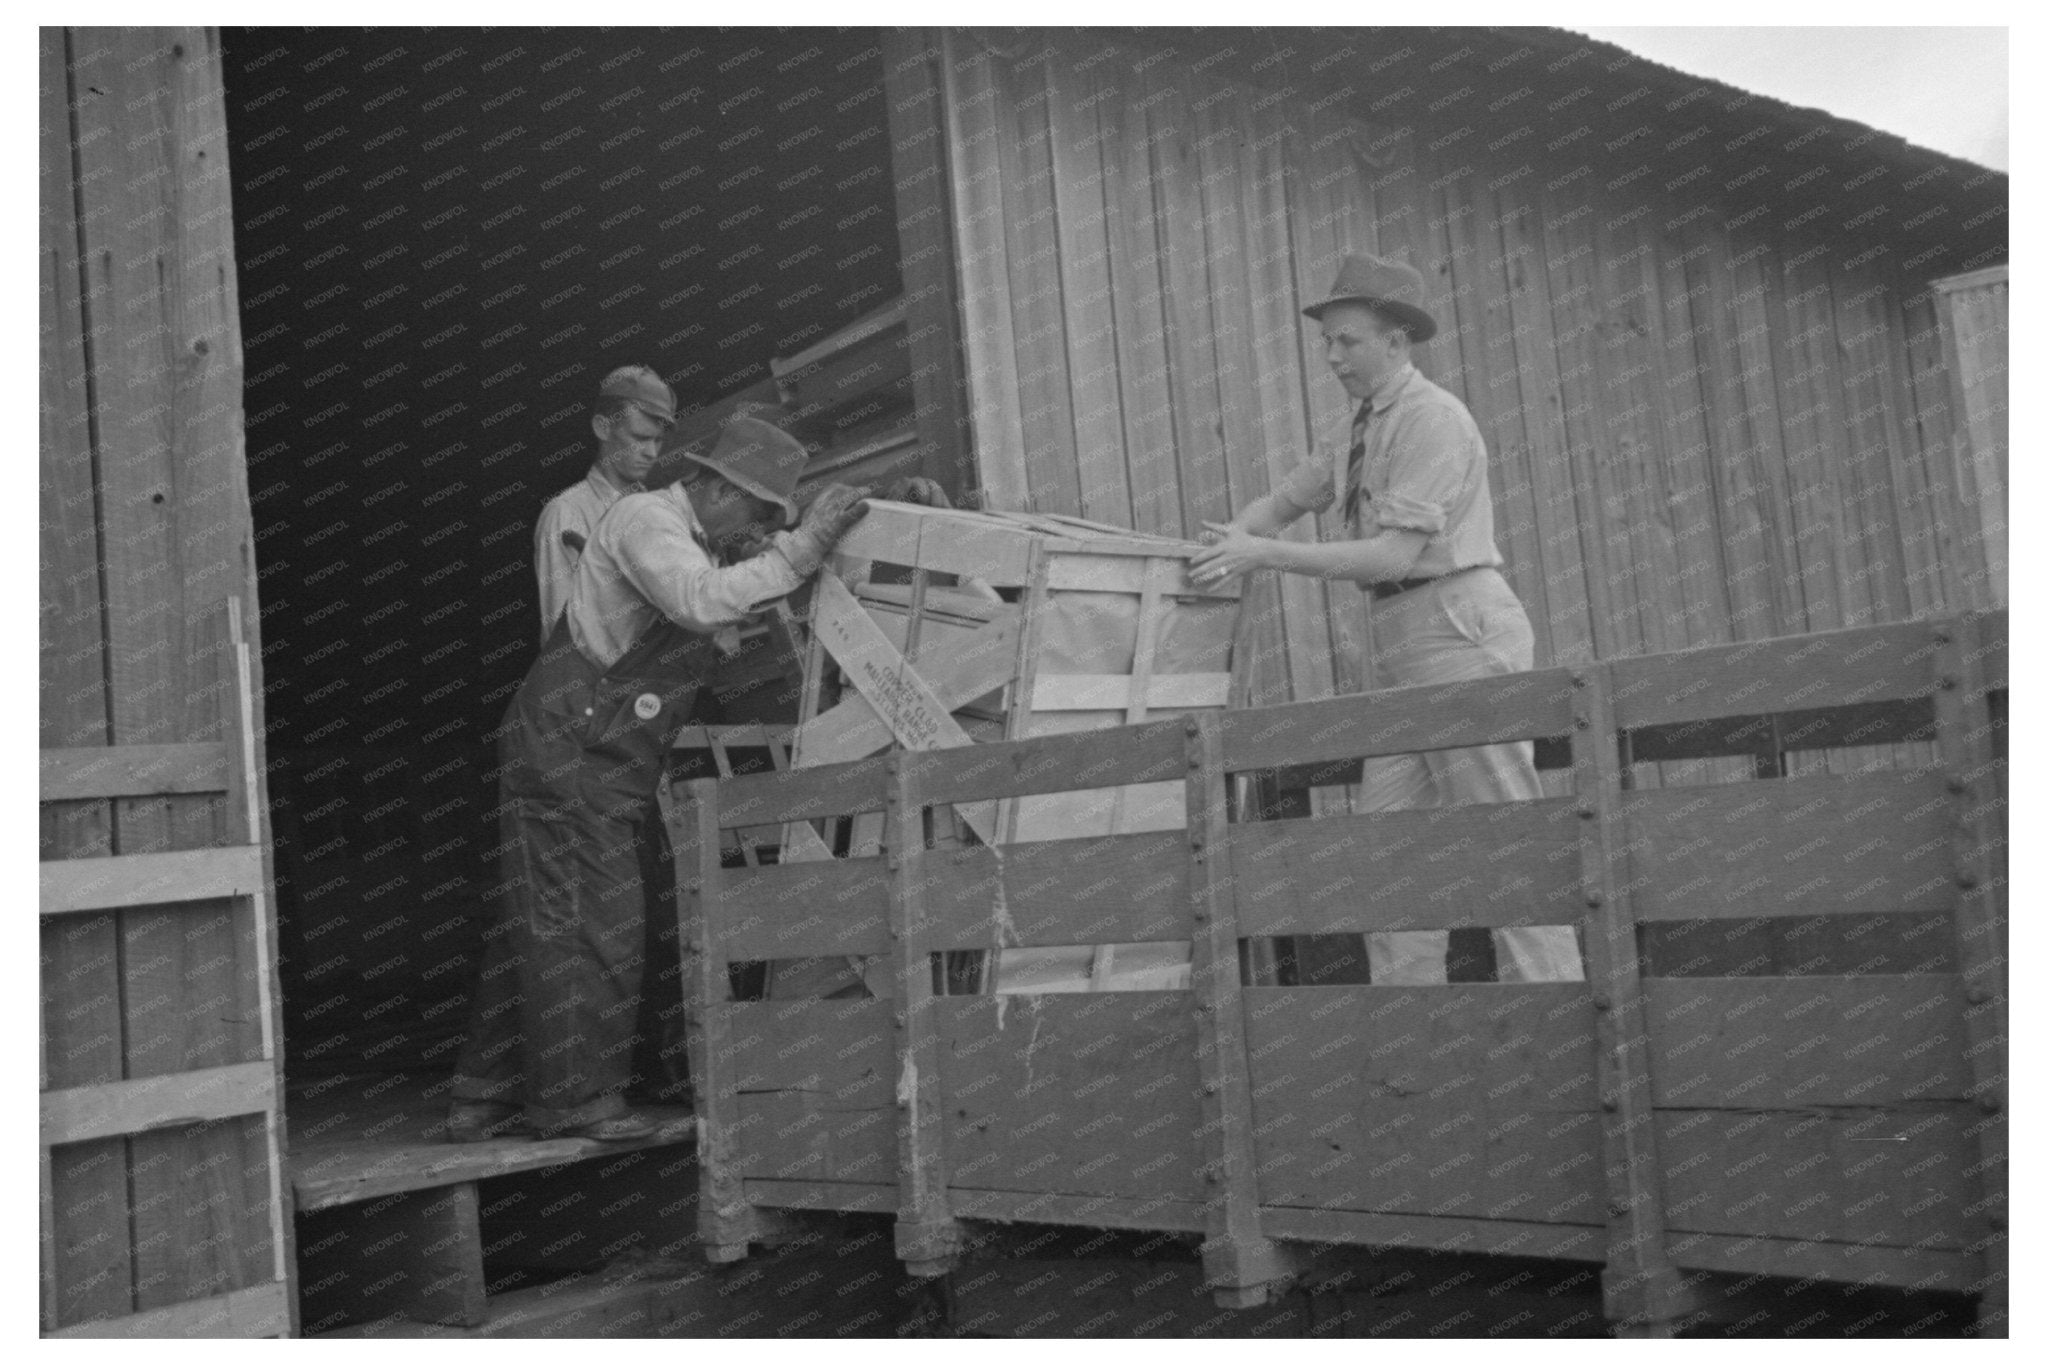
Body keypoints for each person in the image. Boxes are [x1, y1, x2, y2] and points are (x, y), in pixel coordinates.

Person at [449, 414, 871, 1141]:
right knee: (594, 922)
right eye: (757, 509)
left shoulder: (691, 538)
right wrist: (798, 551)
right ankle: (576, 1103)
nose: (761, 525)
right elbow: (700, 600)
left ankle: (484, 1092)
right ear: (713, 484)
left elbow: (696, 618)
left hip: (599, 755)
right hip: (574, 746)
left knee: (548, 912)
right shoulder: (648, 518)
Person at [1188, 252, 1582, 987]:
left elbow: (1395, 556)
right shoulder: (1354, 430)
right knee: (1389, 854)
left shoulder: (1436, 421)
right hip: (1401, 646)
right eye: (1328, 343)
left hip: (1458, 630)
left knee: (1504, 841)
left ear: (1397, 341)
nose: (1332, 357)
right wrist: (1209, 555)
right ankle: (1413, 1043)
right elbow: (1277, 506)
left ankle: (1562, 1027)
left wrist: (1261, 555)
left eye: (1349, 341)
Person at [532, 365, 675, 643]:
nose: (652, 452)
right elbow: (561, 638)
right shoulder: (566, 513)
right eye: (640, 438)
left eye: (658, 440)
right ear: (602, 427)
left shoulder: (661, 514)